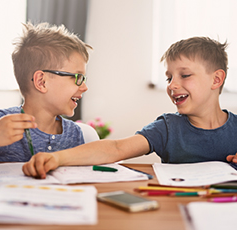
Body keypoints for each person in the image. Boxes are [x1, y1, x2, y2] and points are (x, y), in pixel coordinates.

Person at [22, 36, 237, 179]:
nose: (172, 85)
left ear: (216, 79)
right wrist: (58, 158)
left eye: (185, 75)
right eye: (169, 77)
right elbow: (116, 149)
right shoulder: (167, 128)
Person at [0, 22, 92, 162]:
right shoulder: (0, 125)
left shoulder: (75, 134)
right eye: (77, 77)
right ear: (41, 81)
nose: (84, 87)